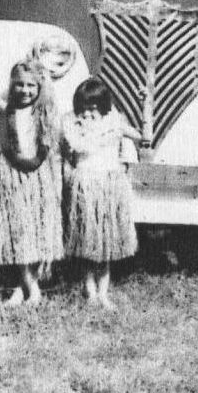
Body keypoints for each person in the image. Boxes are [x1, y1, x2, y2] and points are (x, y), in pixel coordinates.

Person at [0, 54, 63, 305]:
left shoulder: (44, 112)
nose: (25, 90)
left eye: (31, 85)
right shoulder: (6, 109)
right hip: (12, 178)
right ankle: (27, 287)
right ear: (11, 84)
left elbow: (50, 146)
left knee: (35, 229)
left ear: (39, 87)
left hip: (38, 178)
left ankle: (26, 287)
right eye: (20, 84)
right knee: (17, 230)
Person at [62, 77, 141, 309]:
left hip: (108, 186)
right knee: (88, 240)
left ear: (104, 107)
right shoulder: (72, 125)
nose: (88, 114)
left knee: (106, 243)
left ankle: (104, 292)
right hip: (86, 184)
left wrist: (128, 121)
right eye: (84, 109)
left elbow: (139, 135)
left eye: (93, 109)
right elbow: (74, 145)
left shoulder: (113, 123)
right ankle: (90, 289)